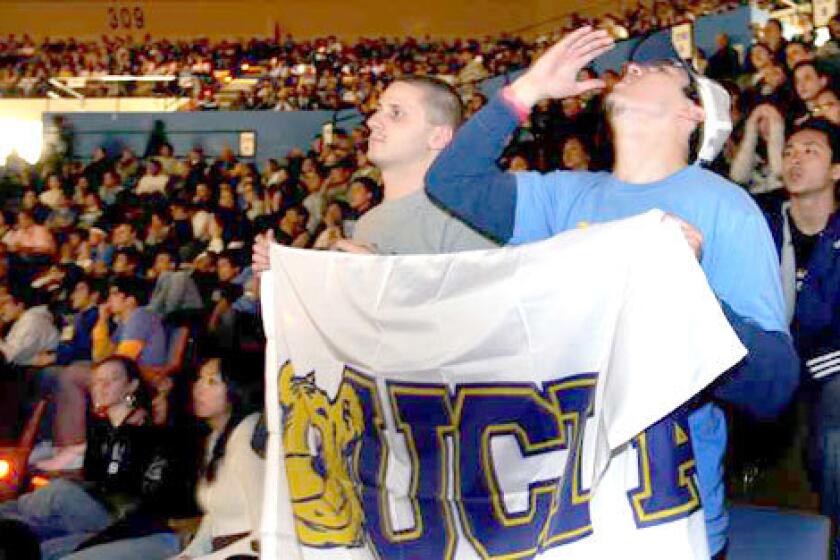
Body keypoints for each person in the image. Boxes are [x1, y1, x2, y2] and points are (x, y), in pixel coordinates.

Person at [424, 27, 799, 558]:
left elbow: (773, 386)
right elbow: (451, 182)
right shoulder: (564, 194)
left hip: (663, 521)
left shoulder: (724, 207)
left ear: (694, 114)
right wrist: (526, 89)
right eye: (634, 66)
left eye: (659, 70)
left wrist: (685, 289)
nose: (633, 69)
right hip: (558, 512)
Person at [0, 357, 180, 560]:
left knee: (59, 491)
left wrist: (76, 457)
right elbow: (93, 477)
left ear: (131, 385)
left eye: (112, 380)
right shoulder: (102, 429)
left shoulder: (143, 427)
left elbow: (131, 486)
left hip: (122, 520)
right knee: (39, 541)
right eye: (96, 381)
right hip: (94, 513)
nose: (101, 387)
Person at [761, 119, 840, 552]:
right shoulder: (764, 227)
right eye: (789, 150)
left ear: (836, 170)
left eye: (810, 150)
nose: (795, 158)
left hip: (830, 369)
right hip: (773, 363)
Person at [172, 353, 264, 559]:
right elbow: (214, 516)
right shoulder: (216, 438)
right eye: (200, 379)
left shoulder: (249, 438)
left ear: (237, 389)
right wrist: (190, 553)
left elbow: (265, 532)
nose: (199, 388)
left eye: (212, 381)